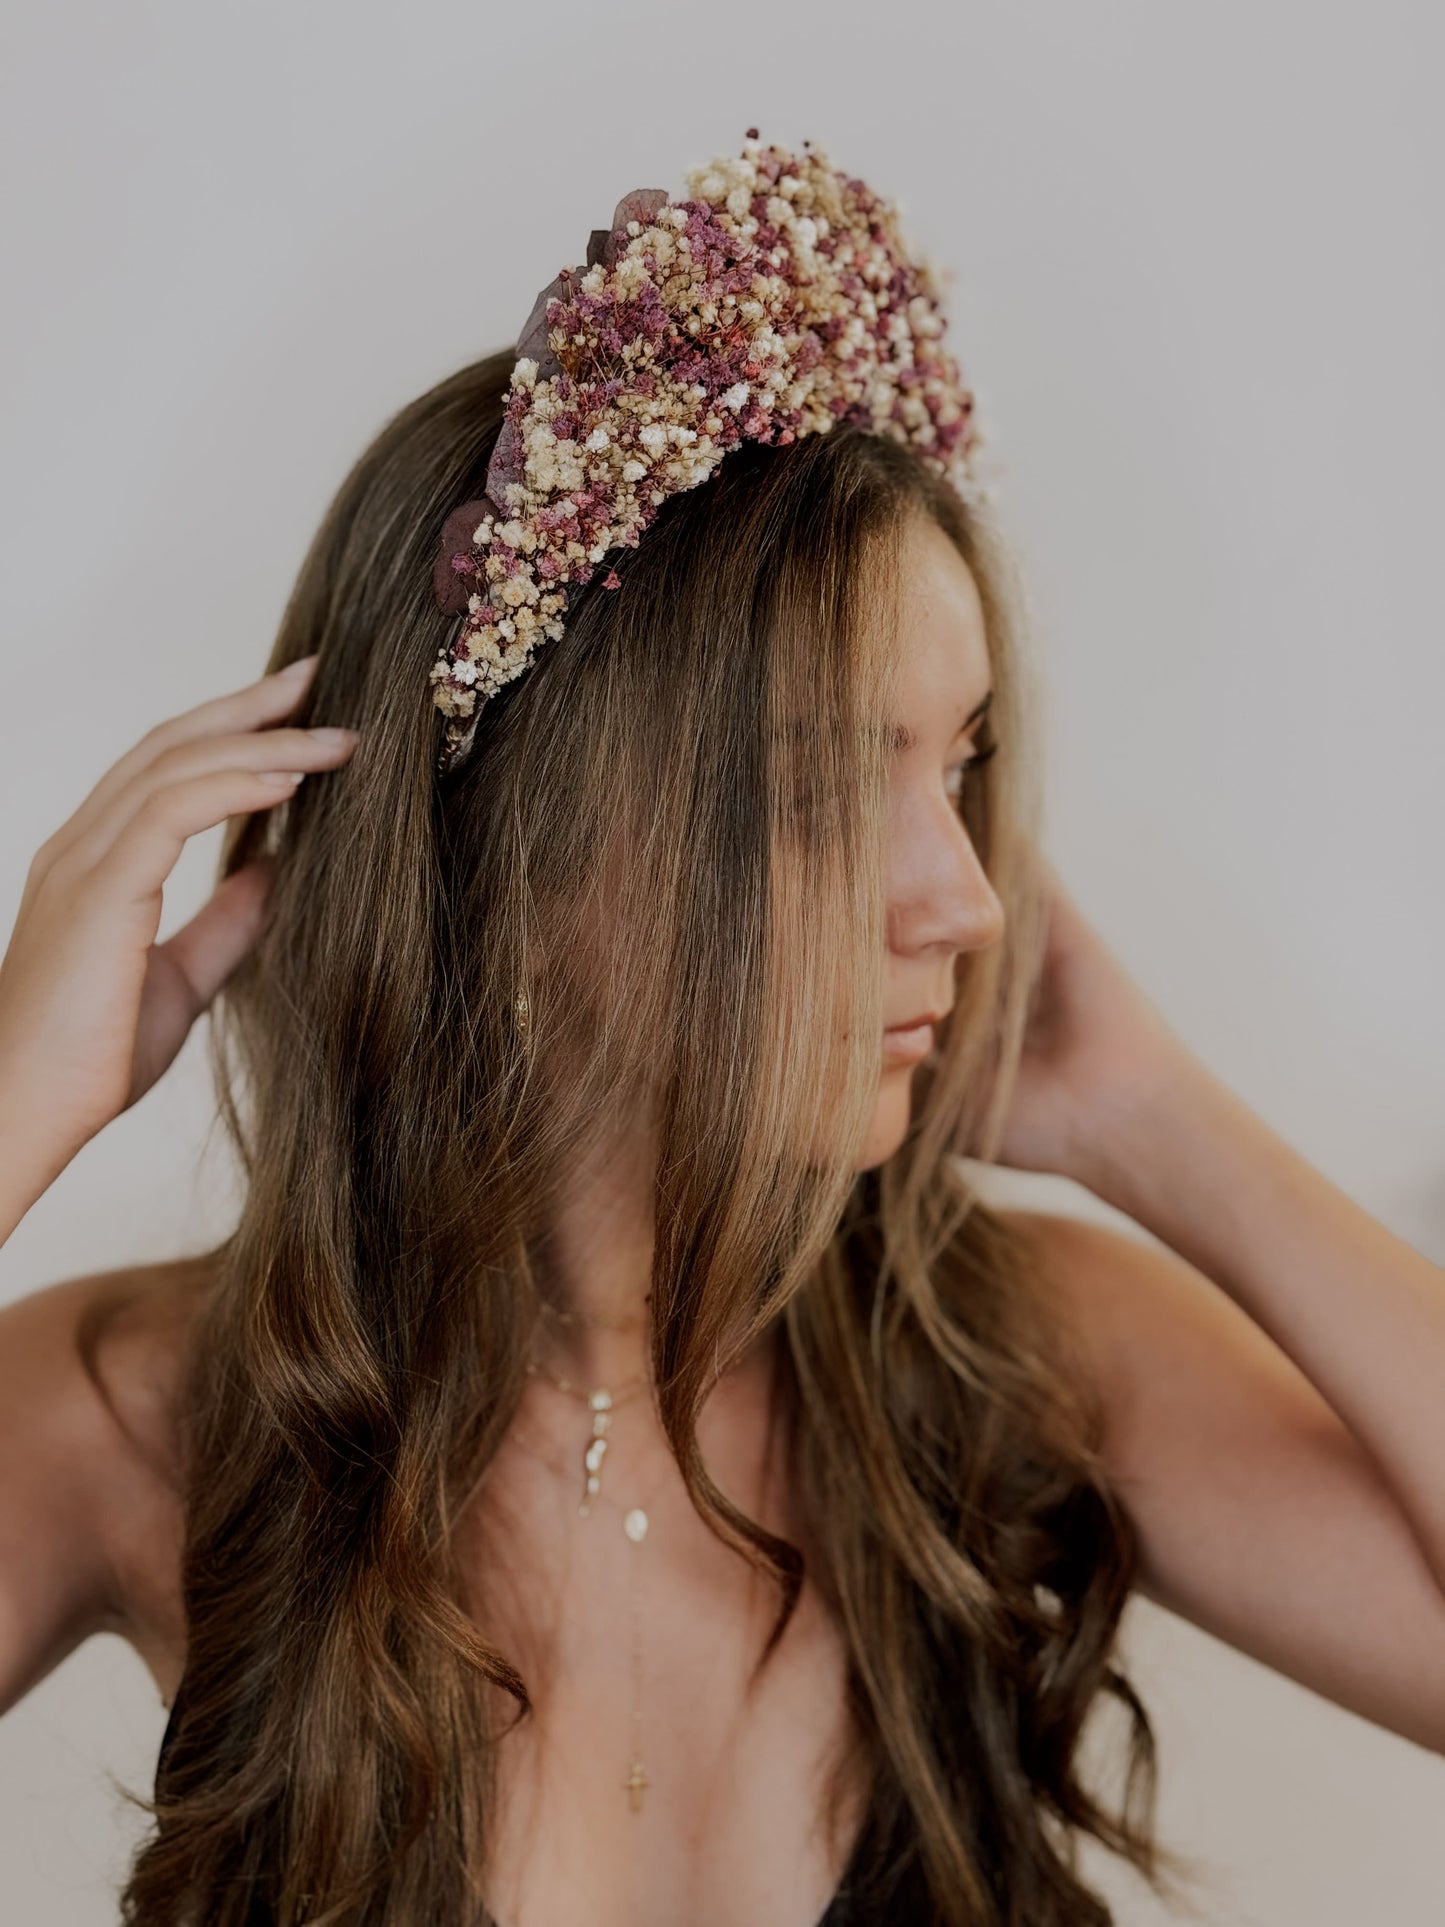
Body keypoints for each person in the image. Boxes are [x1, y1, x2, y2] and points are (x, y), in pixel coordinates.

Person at [2, 132, 1444, 1927]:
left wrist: (1157, 1123)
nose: (967, 898)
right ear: (515, 859)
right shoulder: (131, 1412)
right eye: (822, 788)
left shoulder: (1011, 1353)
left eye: (960, 766)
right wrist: (14, 1111)